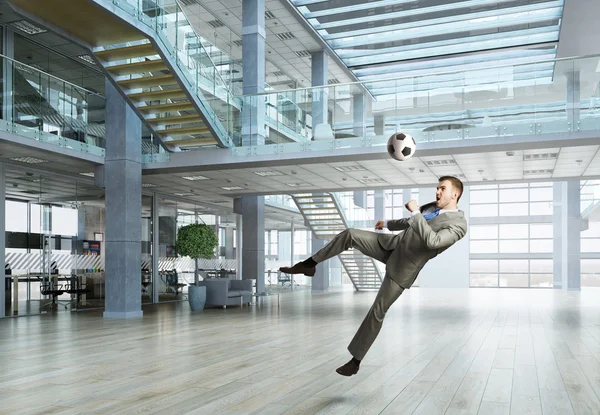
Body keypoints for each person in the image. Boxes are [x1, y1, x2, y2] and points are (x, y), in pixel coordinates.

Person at [280, 176, 468, 376]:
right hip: (390, 245)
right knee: (350, 234)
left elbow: (433, 241)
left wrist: (415, 212)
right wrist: (387, 223)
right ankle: (309, 265)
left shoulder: (458, 225)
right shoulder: (432, 207)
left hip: (404, 267)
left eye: (442, 189)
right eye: (437, 188)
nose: (437, 192)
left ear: (454, 194)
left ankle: (355, 361)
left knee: (377, 311)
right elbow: (410, 223)